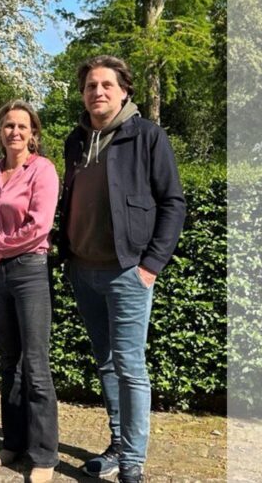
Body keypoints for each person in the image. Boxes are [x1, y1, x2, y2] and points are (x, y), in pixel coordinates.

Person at [58, 56, 186, 483]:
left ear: (124, 90)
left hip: (128, 272)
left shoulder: (146, 136)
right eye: (90, 86)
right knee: (106, 364)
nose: (97, 92)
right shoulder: (75, 140)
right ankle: (117, 444)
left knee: (130, 367)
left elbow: (173, 203)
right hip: (83, 271)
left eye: (106, 85)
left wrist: (151, 265)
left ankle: (132, 461)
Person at [0, 100, 60, 483]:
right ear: (0, 131)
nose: (15, 132)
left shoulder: (42, 170)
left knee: (35, 365)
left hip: (28, 271)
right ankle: (13, 442)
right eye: (9, 125)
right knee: (9, 361)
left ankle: (44, 454)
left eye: (23, 126)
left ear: (33, 133)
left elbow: (39, 226)